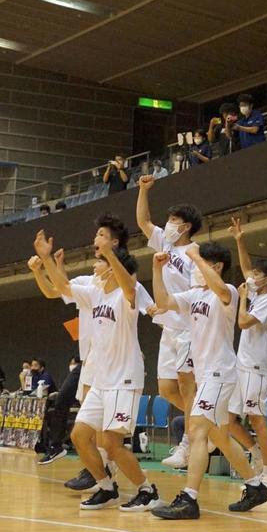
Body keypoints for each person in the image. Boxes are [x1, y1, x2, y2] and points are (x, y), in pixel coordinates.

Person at [35, 228, 163, 512]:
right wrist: (46, 259)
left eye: (101, 260)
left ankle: (147, 490)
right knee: (80, 435)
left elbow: (130, 289)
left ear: (113, 268)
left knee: (112, 444)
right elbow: (62, 287)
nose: (96, 264)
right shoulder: (94, 295)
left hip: (125, 378)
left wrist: (110, 254)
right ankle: (106, 487)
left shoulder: (127, 295)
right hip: (102, 379)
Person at [151, 242, 267, 519]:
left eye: (198, 264)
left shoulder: (227, 292)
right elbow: (163, 302)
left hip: (220, 373)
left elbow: (219, 289)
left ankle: (189, 499)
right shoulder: (193, 295)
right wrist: (157, 270)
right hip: (205, 374)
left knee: (197, 431)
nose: (193, 268)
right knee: (220, 435)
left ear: (215, 266)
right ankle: (256, 486)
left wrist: (194, 254)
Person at [29, 213, 133, 490]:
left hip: (114, 362)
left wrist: (50, 263)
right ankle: (97, 472)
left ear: (115, 242)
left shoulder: (119, 278)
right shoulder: (92, 282)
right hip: (91, 359)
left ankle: (103, 472)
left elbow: (61, 286)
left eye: (100, 235)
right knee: (89, 422)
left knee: (101, 428)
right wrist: (43, 267)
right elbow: (57, 290)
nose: (94, 240)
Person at [136, 174, 200, 469]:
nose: (169, 224)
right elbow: (143, 221)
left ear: (186, 226)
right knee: (165, 389)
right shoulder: (164, 240)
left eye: (174, 220)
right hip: (167, 327)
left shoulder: (194, 252)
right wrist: (143, 191)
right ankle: (202, 418)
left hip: (187, 328)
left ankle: (188, 444)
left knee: (188, 387)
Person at [227, 217, 267, 492]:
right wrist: (239, 239)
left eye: (258, 274)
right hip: (241, 365)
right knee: (228, 420)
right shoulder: (259, 293)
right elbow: (246, 267)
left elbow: (244, 322)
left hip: (257, 369)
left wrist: (243, 298)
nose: (252, 276)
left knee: (257, 419)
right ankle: (257, 454)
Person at [37, 356, 82, 465]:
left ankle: (101, 471)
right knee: (61, 398)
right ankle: (56, 446)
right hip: (88, 364)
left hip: (102, 364)